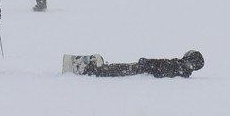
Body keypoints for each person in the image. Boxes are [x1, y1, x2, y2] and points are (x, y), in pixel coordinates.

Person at [64, 51, 205, 78]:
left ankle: (89, 69)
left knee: (118, 70)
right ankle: (96, 69)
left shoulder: (179, 68)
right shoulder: (181, 68)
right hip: (144, 68)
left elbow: (162, 66)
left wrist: (147, 63)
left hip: (142, 69)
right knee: (119, 68)